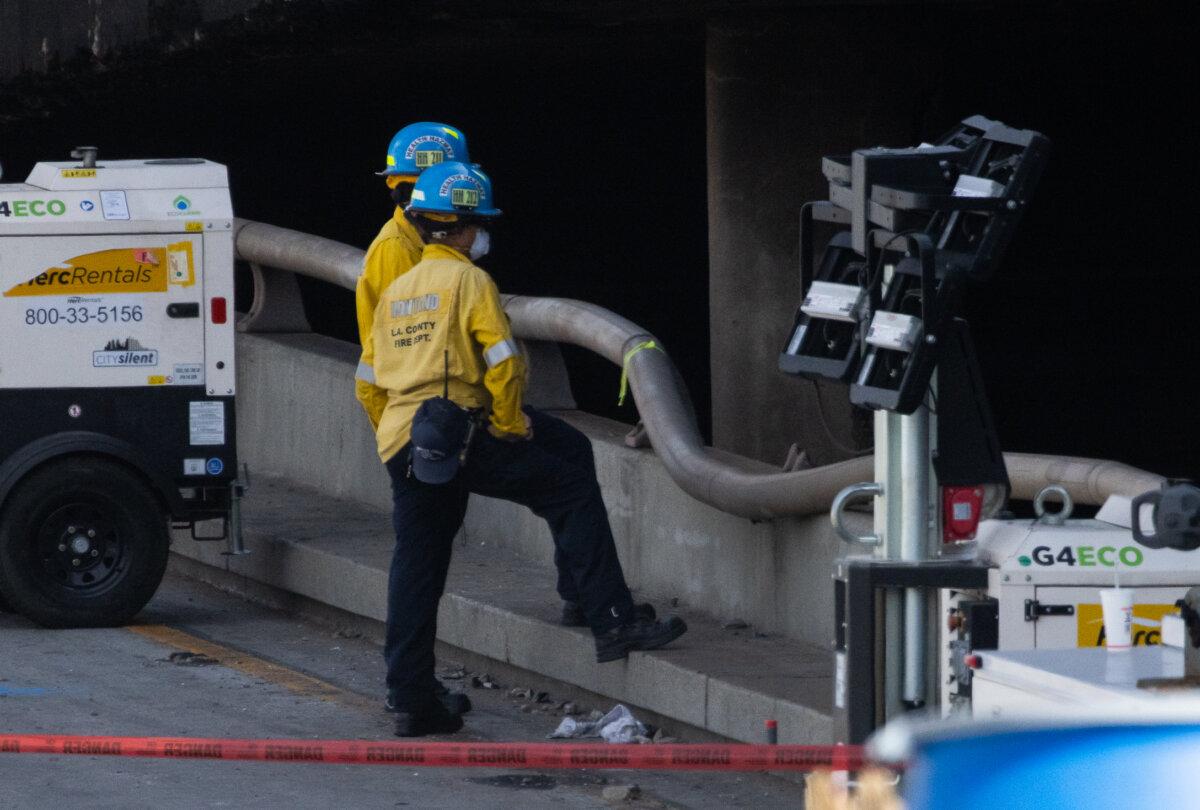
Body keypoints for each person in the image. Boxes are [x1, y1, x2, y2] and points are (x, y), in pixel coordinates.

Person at [358, 161, 687, 737]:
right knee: (570, 487)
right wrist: (508, 426)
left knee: (418, 565)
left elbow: (367, 380)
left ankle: (410, 695)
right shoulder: (469, 281)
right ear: (461, 228)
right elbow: (505, 363)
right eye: (479, 224)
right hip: (461, 430)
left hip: (404, 440)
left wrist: (399, 436)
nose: (483, 234)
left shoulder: (398, 289)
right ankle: (610, 619)